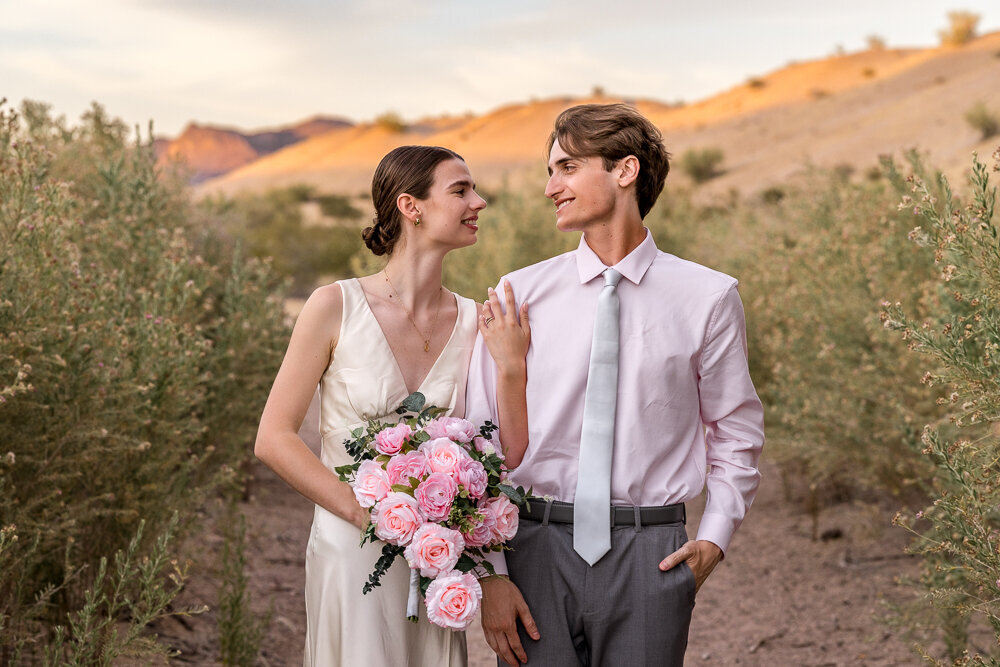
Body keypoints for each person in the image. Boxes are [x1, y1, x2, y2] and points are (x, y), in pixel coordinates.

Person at [466, 104, 765, 666]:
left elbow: (734, 428)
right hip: (534, 547)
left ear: (625, 171)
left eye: (567, 168)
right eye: (550, 171)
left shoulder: (709, 297)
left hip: (651, 554)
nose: (551, 186)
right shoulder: (518, 294)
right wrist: (492, 573)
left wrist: (716, 536)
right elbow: (480, 438)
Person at [255, 145, 526, 666]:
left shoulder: (476, 322)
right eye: (461, 190)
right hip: (349, 549)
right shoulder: (334, 306)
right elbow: (274, 438)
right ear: (411, 205)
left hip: (439, 561)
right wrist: (368, 515)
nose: (480, 201)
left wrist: (512, 367)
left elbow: (503, 455)